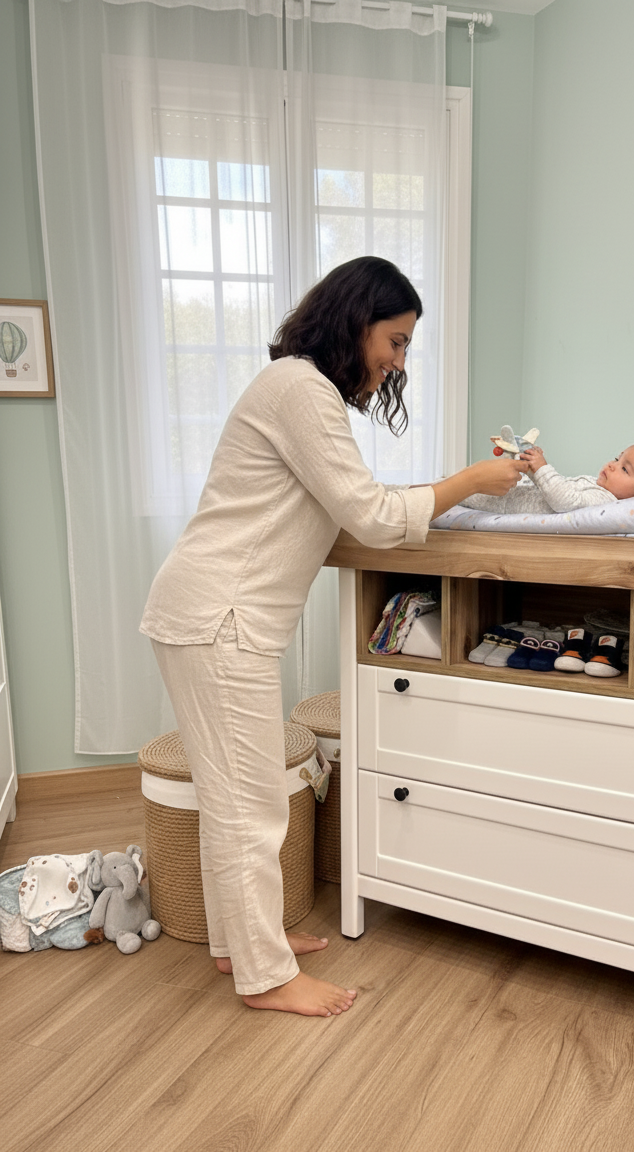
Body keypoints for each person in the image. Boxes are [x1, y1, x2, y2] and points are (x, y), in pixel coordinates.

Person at [140, 256, 526, 1018]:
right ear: (357, 320)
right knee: (252, 802)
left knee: (230, 795)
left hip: (213, 614)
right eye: (397, 339)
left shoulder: (296, 388)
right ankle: (265, 975)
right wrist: (471, 482)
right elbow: (375, 515)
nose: (398, 360)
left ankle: (236, 943)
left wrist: (442, 494)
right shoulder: (300, 390)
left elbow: (351, 502)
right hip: (221, 618)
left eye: (408, 346)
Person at [458, 442, 634, 515]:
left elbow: (563, 501)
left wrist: (543, 469)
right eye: (618, 458)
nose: (612, 466)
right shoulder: (598, 487)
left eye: (625, 469)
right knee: (459, 486)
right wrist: (533, 472)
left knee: (462, 494)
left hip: (503, 505)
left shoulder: (605, 504)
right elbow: (557, 489)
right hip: (514, 495)